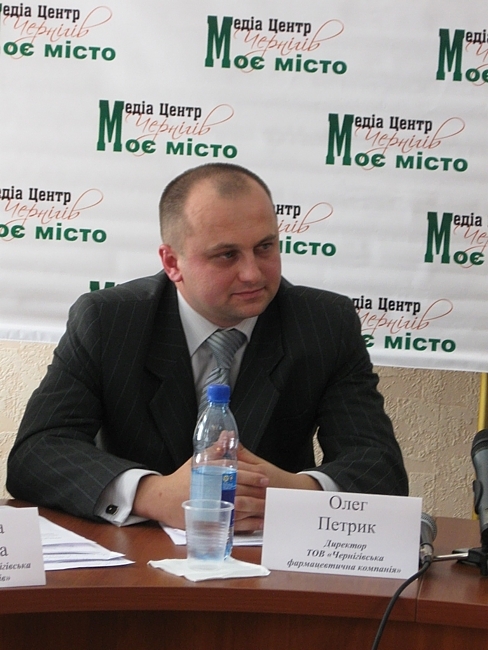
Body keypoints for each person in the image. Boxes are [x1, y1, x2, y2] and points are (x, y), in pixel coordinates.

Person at [7, 163, 408, 531]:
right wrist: (155, 495)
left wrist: (292, 493)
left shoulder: (324, 323)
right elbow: (36, 454)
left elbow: (380, 469)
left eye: (265, 247)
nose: (252, 273)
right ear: (172, 263)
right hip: (135, 554)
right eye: (227, 255)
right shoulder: (109, 321)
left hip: (264, 558)